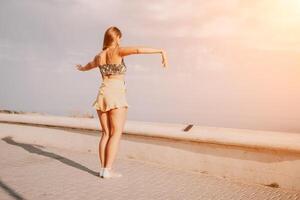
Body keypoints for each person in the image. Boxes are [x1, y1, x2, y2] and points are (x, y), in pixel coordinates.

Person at [75, 26, 168, 179]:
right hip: (116, 94)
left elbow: (88, 66)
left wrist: (81, 68)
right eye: (120, 38)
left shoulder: (99, 56)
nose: (120, 40)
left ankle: (103, 169)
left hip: (102, 93)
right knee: (116, 133)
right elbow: (138, 50)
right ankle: (108, 170)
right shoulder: (118, 51)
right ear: (117, 37)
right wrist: (160, 51)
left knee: (105, 133)